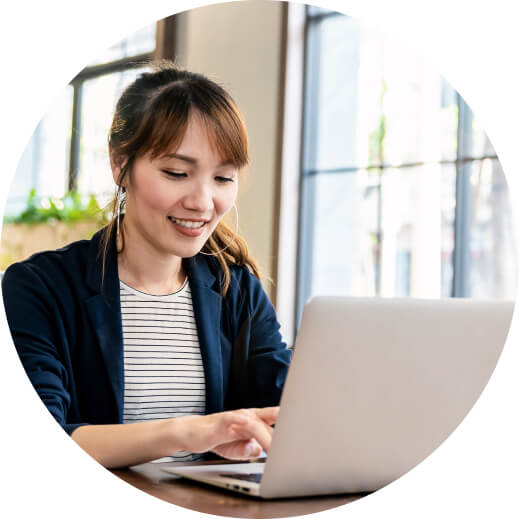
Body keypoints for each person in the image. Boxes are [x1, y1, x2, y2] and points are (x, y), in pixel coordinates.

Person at [2, 61, 292, 469]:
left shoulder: (235, 287)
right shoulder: (38, 288)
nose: (203, 202)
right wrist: (189, 431)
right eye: (177, 172)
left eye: (223, 178)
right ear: (121, 165)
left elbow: (287, 401)